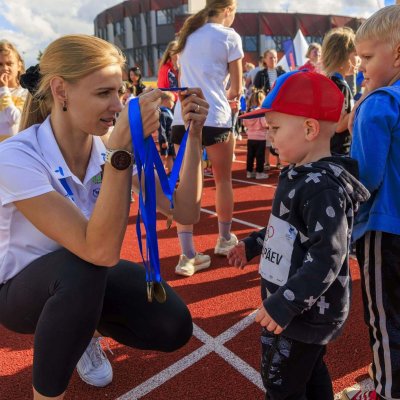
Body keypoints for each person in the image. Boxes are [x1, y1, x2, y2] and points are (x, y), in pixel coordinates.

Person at [0, 34, 209, 400]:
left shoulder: (107, 147)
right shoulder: (16, 156)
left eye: (119, 92)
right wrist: (119, 153)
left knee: (173, 324)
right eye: (103, 93)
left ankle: (80, 332)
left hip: (85, 274)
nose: (117, 105)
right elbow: (98, 251)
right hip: (20, 292)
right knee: (81, 270)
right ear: (61, 91)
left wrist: (193, 137)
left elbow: (185, 211)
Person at [228, 70, 369, 400]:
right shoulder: (298, 173)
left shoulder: (322, 188)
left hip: (305, 312)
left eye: (275, 128)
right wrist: (252, 244)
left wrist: (285, 304)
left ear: (309, 129)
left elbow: (328, 257)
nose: (268, 135)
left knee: (281, 384)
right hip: (294, 306)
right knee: (311, 372)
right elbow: (287, 229)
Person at [343, 5, 400, 400]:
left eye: (366, 57)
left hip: (383, 229)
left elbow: (365, 177)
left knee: (385, 318)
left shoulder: (377, 104)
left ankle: (385, 390)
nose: (360, 66)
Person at [170, 0, 244, 277]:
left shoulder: (187, 35)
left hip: (183, 115)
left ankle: (188, 255)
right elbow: (236, 88)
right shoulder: (229, 37)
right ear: (227, 10)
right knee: (223, 180)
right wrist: (226, 95)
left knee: (186, 183)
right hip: (215, 116)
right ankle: (224, 239)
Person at [322, 27, 358, 156]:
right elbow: (338, 126)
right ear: (341, 56)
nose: (359, 59)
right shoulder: (338, 85)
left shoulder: (331, 82)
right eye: (355, 54)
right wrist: (361, 103)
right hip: (338, 152)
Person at [0, 40, 27, 141]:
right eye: (0, 64)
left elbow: (14, 119)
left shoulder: (25, 93)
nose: (4, 68)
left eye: (9, 63)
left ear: (19, 65)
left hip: (11, 147)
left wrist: (4, 89)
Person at [243, 90, 268, 179]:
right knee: (260, 156)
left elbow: (244, 123)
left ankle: (249, 172)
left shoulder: (249, 111)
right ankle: (259, 173)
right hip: (260, 138)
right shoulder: (260, 112)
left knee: (250, 156)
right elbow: (264, 124)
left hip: (250, 137)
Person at [158, 90, 176, 175]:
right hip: (165, 140)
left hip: (170, 139)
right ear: (165, 100)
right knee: (164, 157)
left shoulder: (168, 112)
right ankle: (161, 174)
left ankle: (170, 173)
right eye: (172, 101)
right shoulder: (162, 112)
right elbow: (161, 128)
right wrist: (163, 140)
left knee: (170, 156)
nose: (173, 103)